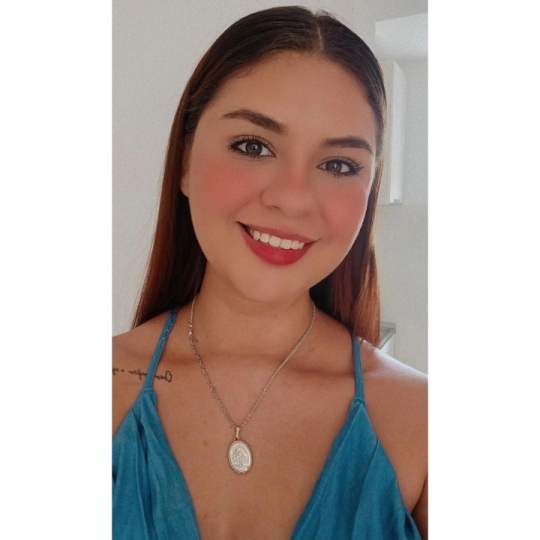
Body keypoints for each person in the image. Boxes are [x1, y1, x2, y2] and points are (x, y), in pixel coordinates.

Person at [113, 6, 427, 539]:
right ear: (184, 161)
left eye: (338, 165)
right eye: (253, 146)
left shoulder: (424, 422)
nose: (292, 198)